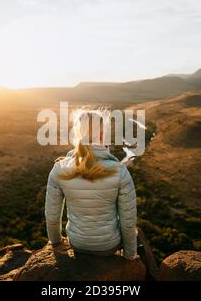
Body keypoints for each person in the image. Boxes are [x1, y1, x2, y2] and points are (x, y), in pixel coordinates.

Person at [44, 109, 139, 260]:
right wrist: (130, 255)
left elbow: (52, 216)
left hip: (77, 243)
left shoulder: (59, 168)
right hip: (108, 246)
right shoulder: (120, 171)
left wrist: (56, 242)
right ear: (101, 134)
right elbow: (128, 220)